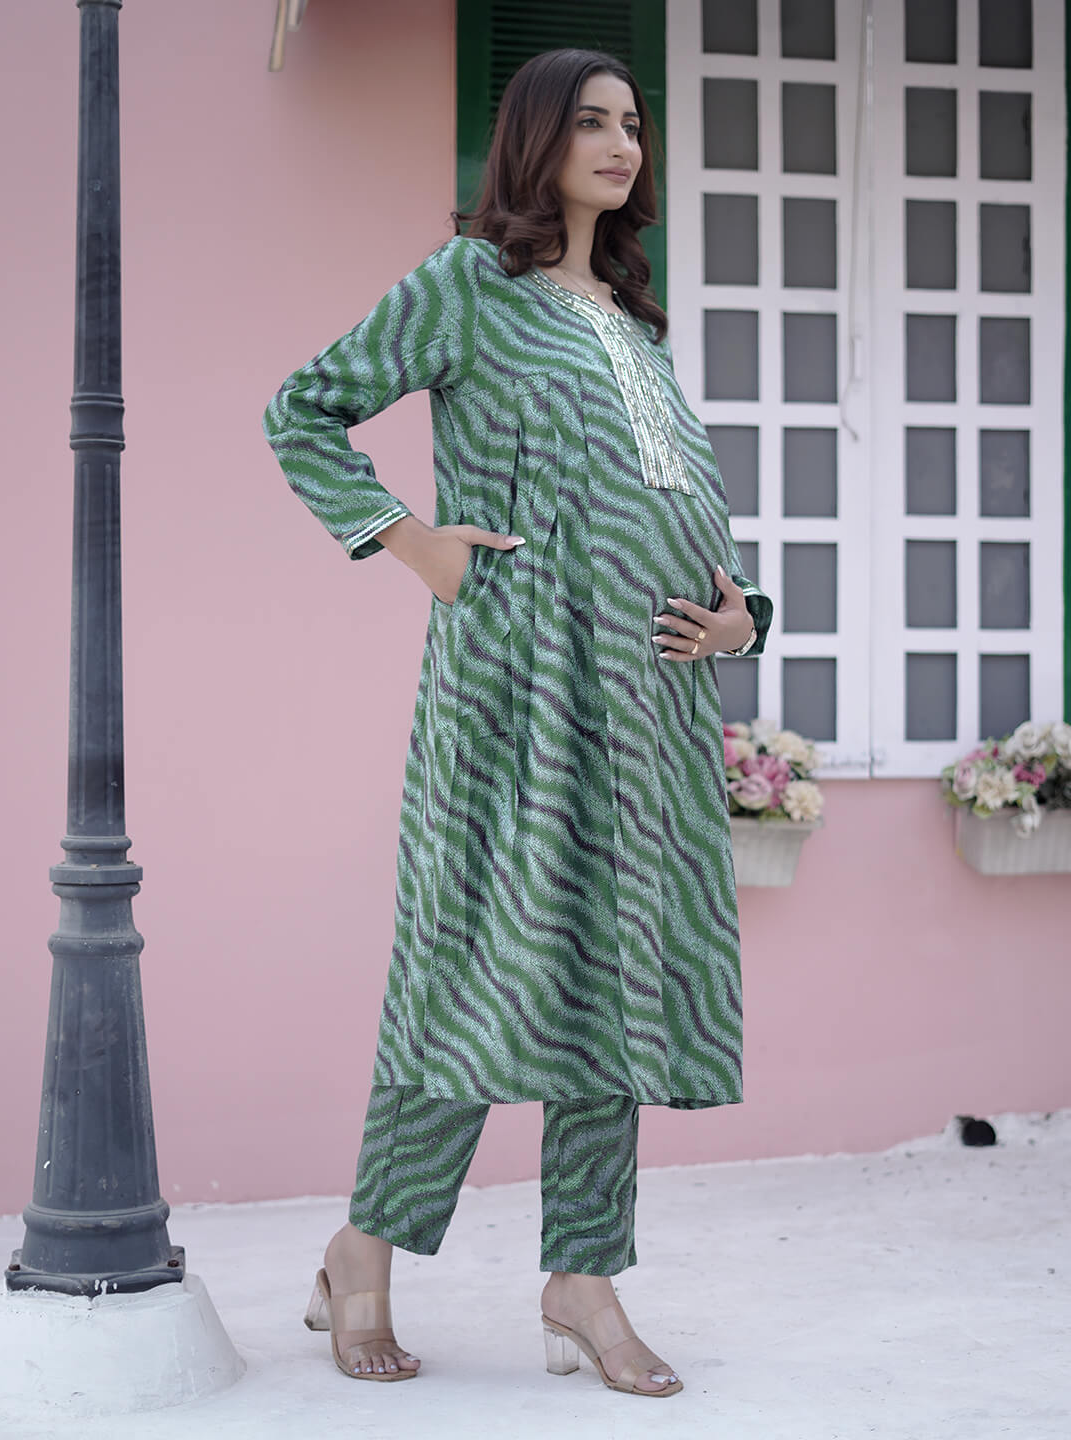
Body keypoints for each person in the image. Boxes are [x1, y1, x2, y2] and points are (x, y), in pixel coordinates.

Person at [263, 47, 772, 1400]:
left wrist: (743, 618)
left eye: (633, 123)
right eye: (593, 121)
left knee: (615, 977)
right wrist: (411, 540)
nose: (622, 142)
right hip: (516, 691)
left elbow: (684, 506)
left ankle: (583, 1279)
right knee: (472, 968)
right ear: (536, 138)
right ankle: (362, 1252)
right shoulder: (469, 287)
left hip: (651, 706)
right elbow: (302, 410)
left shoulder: (637, 325)